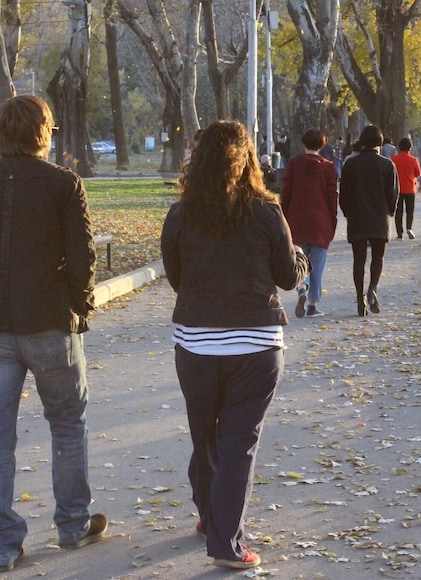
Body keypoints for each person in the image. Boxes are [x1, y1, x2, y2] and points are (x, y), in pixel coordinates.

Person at [0, 95, 107, 574]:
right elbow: (83, 256)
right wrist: (82, 303)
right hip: (51, 320)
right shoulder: (64, 184)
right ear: (45, 132)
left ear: (0, 133)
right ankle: (73, 523)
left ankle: (2, 542)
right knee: (68, 425)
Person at [160, 120, 309, 570]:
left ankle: (211, 516)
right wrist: (299, 255)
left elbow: (176, 277)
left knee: (205, 435)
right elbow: (287, 276)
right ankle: (226, 543)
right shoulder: (266, 213)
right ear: (247, 160)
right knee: (238, 442)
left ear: (197, 160)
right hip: (256, 345)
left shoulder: (181, 214)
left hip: (196, 344)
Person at [339, 125, 398, 316]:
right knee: (378, 257)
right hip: (379, 217)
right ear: (380, 142)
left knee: (358, 260)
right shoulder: (387, 165)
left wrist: (348, 212)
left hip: (357, 218)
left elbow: (344, 194)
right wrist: (390, 211)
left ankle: (359, 297)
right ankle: (373, 287)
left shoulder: (350, 164)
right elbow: (393, 194)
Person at [281, 128, 339, 317]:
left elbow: (286, 193)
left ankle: (302, 287)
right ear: (322, 145)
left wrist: (284, 217)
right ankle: (312, 305)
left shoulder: (294, 164)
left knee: (299, 258)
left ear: (304, 143)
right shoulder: (328, 167)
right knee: (318, 265)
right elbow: (332, 197)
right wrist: (332, 221)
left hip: (297, 220)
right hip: (321, 222)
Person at [391, 137, 421, 240]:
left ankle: (399, 233)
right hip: (410, 188)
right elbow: (418, 173)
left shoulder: (394, 159)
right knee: (410, 210)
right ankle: (409, 227)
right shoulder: (413, 160)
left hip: (398, 189)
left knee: (398, 211)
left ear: (399, 147)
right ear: (410, 147)